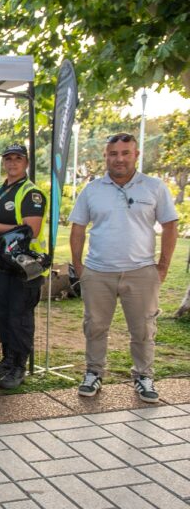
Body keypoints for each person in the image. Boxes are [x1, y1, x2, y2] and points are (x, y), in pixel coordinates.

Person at [70, 133, 178, 402]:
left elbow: (170, 226)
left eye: (125, 153)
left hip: (141, 271)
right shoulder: (92, 190)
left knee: (143, 329)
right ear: (105, 156)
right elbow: (78, 229)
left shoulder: (154, 187)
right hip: (98, 271)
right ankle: (94, 373)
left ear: (136, 155)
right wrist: (79, 266)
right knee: (94, 326)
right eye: (113, 154)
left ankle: (143, 376)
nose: (119, 159)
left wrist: (162, 267)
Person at [0, 144, 47, 389]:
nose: (12, 163)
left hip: (25, 267)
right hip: (2, 264)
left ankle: (19, 366)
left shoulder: (31, 193)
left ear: (26, 163)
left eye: (18, 159)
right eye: (8, 159)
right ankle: (7, 360)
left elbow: (32, 229)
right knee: (4, 314)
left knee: (20, 316)